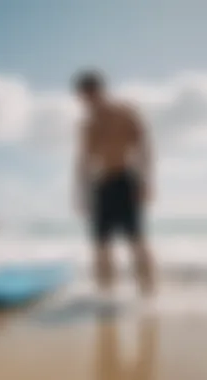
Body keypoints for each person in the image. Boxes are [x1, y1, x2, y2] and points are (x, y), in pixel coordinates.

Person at [73, 70, 155, 297]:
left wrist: (146, 180)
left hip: (126, 180)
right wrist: (82, 194)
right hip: (101, 185)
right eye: (83, 98)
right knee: (101, 245)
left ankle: (149, 296)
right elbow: (83, 162)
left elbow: (144, 147)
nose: (88, 102)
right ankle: (105, 298)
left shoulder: (124, 113)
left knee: (136, 240)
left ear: (100, 91)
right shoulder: (87, 126)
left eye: (90, 95)